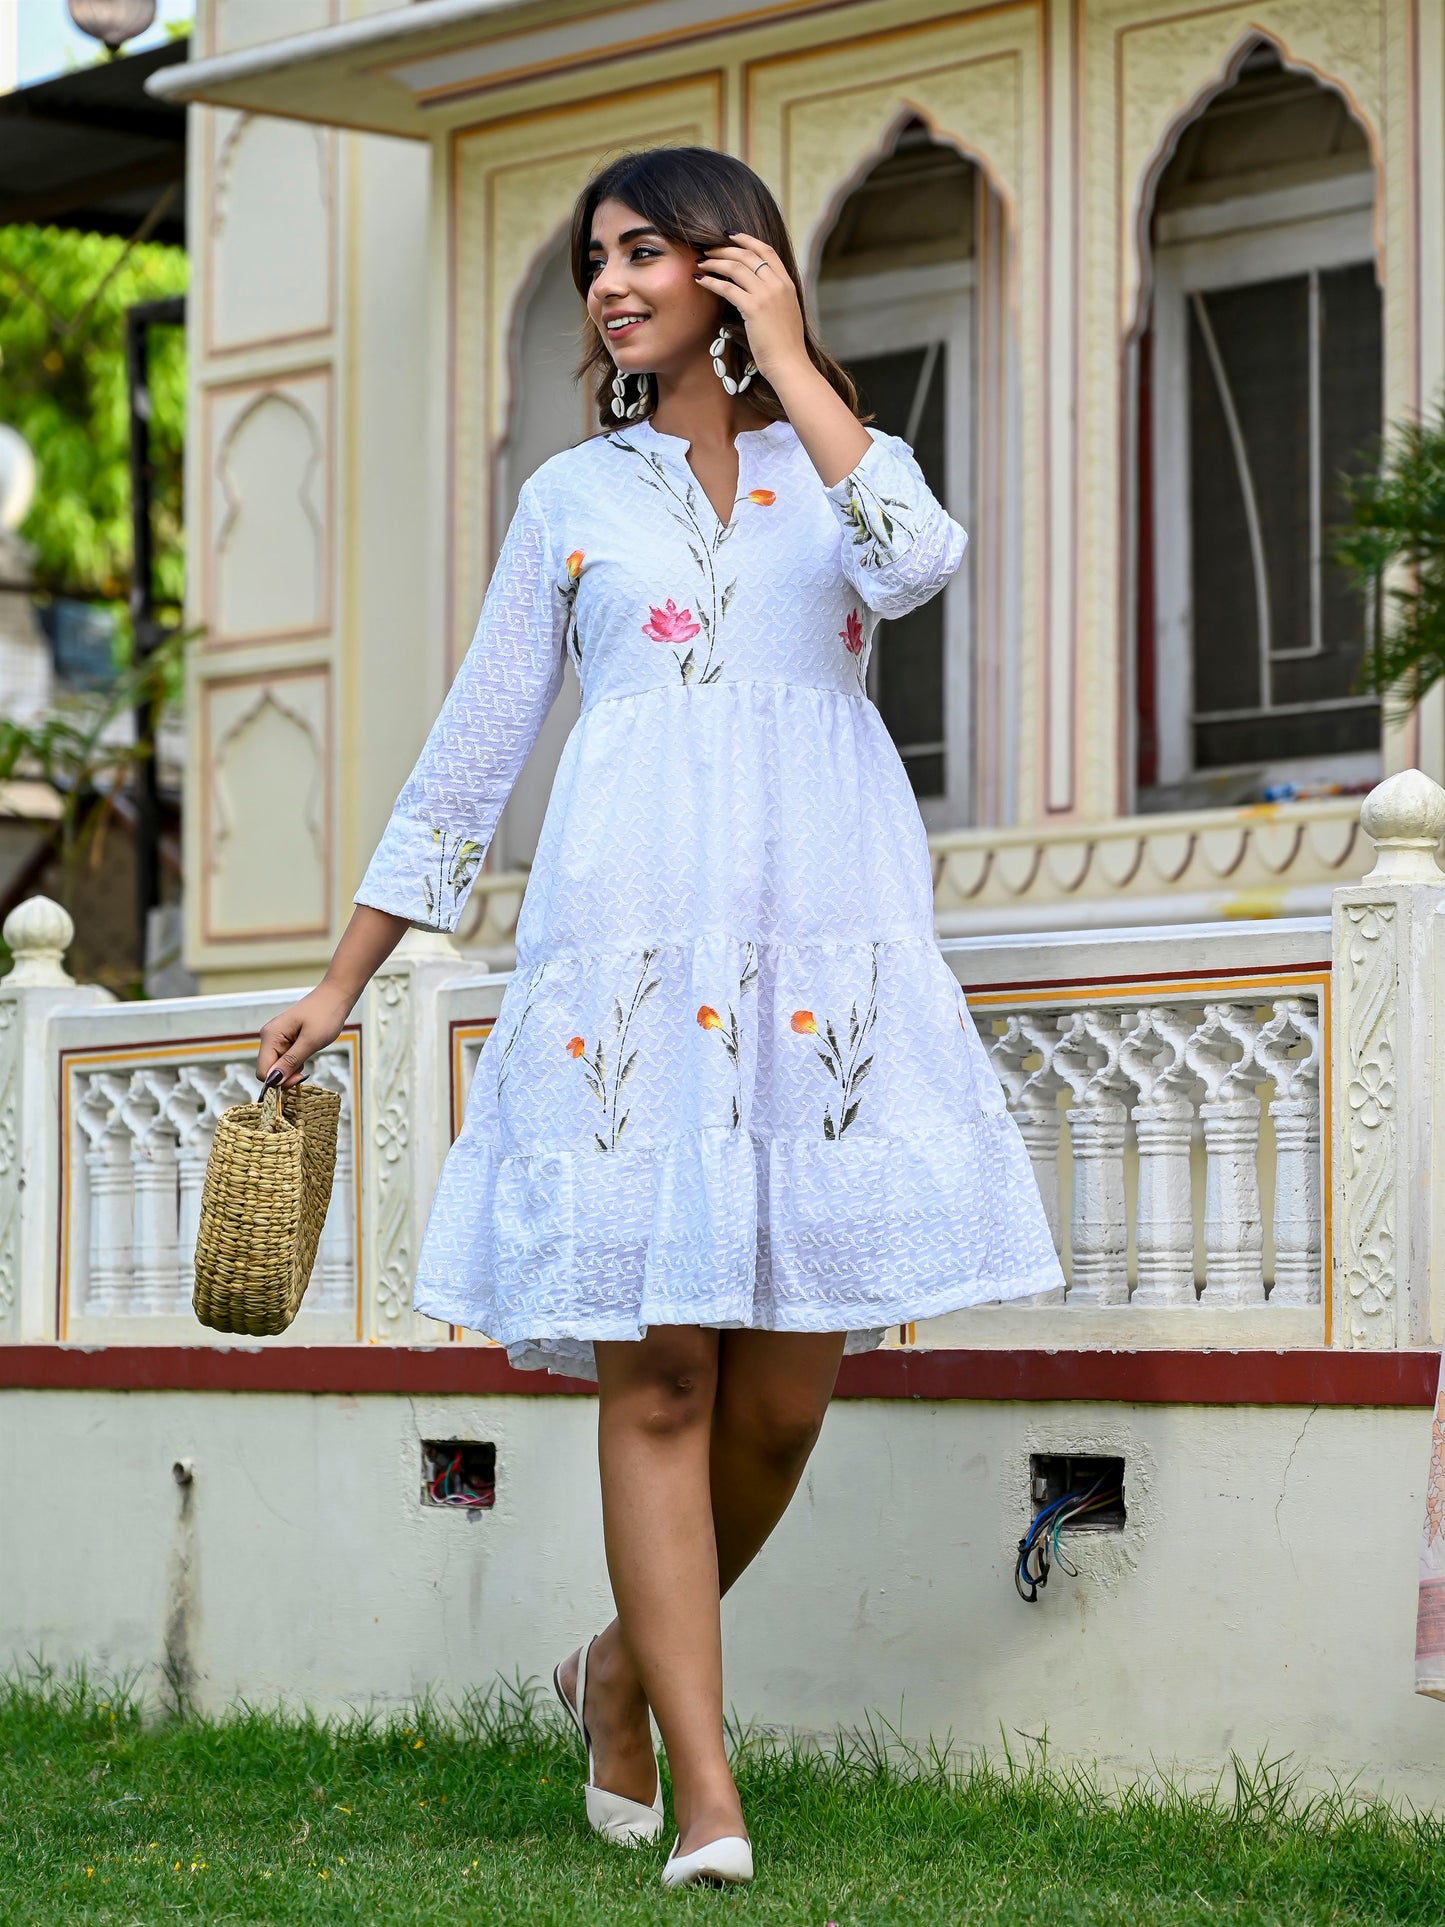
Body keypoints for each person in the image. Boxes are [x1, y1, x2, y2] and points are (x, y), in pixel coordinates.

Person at [256, 144, 1064, 1890]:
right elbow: (476, 749)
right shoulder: (572, 501)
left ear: (735, 265)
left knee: (777, 1409)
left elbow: (918, 565)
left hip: (811, 976)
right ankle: (706, 1791)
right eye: (594, 258)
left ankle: (613, 1669)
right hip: (622, 977)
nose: (611, 281)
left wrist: (795, 365)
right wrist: (343, 977)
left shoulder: (846, 471)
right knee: (664, 1379)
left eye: (649, 250)